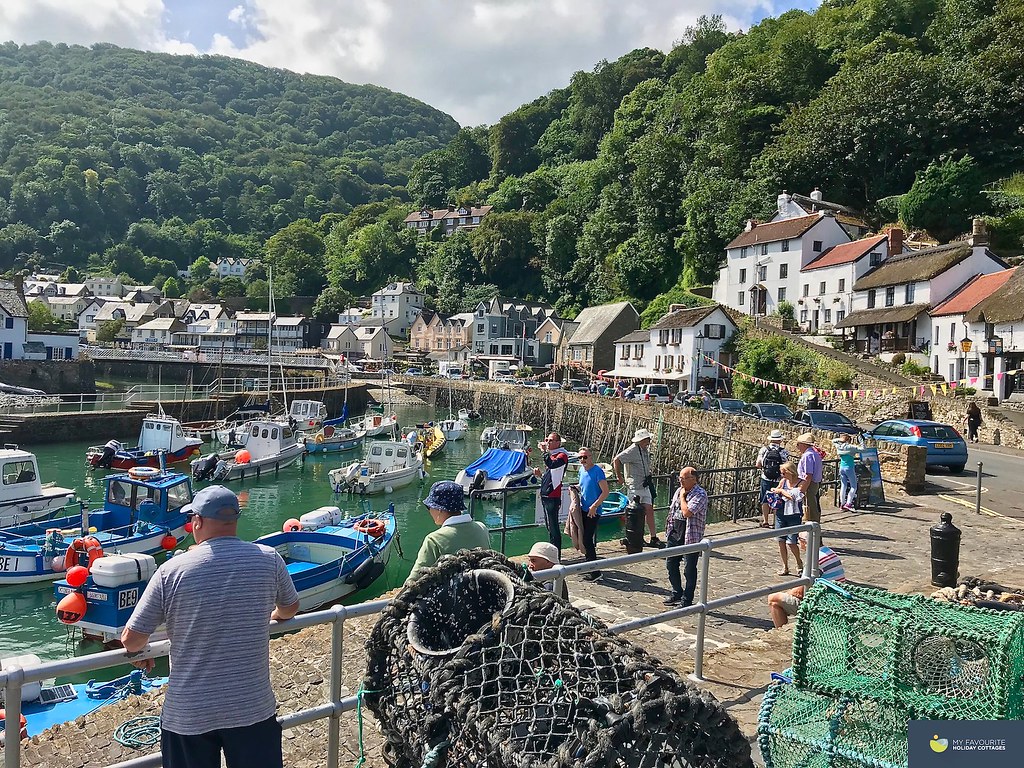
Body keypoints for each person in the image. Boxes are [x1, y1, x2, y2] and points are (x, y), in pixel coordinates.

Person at [121, 485, 301, 768]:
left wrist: (143, 650)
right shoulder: (268, 559)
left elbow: (132, 640)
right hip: (251, 707)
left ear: (198, 521)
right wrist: (270, 615)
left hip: (189, 713)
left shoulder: (172, 570)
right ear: (235, 520)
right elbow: (290, 608)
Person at [407, 480, 491, 582]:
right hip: (482, 590)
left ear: (439, 509)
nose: (429, 511)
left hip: (450, 596)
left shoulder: (433, 540)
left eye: (429, 507)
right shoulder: (482, 528)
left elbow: (414, 581)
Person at [767, 532, 846, 627]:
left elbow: (801, 592)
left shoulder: (814, 560)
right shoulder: (828, 552)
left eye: (799, 539)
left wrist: (787, 594)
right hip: (836, 599)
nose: (798, 542)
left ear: (805, 542)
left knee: (773, 599)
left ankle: (780, 633)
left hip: (823, 605)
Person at [664, 466, 708, 607]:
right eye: (680, 478)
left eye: (683, 478)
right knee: (671, 564)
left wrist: (683, 497)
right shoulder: (679, 490)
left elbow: (687, 512)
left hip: (691, 535)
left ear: (693, 479)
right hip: (675, 532)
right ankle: (677, 592)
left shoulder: (700, 494)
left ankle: (687, 599)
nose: (680, 481)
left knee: (689, 568)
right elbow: (673, 510)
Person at [613, 428, 664, 548]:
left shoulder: (644, 449)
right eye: (647, 439)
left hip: (645, 485)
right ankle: (634, 537)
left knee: (649, 510)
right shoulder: (632, 450)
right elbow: (617, 459)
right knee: (635, 514)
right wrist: (619, 477)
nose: (649, 441)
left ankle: (653, 537)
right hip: (635, 486)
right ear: (641, 440)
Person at [534, 432, 570, 556]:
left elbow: (552, 465)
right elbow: (552, 476)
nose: (547, 442)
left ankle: (556, 555)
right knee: (549, 527)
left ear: (558, 443)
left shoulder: (562, 456)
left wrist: (544, 452)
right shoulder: (553, 455)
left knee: (554, 528)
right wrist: (540, 476)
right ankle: (553, 555)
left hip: (552, 497)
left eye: (550, 440)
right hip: (546, 496)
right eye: (547, 440)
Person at [577, 447, 609, 581]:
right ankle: (589, 565)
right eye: (580, 457)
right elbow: (582, 487)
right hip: (583, 509)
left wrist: (594, 506)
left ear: (591, 457)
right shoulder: (581, 470)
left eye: (585, 457)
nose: (583, 460)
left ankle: (595, 571)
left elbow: (605, 492)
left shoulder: (598, 472)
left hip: (593, 511)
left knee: (587, 540)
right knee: (584, 537)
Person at [770, 461, 804, 576]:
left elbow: (793, 497)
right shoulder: (783, 481)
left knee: (792, 542)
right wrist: (775, 491)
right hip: (781, 514)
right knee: (781, 541)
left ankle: (799, 563)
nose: (782, 475)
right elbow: (777, 490)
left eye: (784, 473)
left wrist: (781, 491)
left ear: (791, 472)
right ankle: (785, 566)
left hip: (794, 516)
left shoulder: (801, 483)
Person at [755, 430, 788, 528]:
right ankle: (776, 522)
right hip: (778, 479)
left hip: (766, 477)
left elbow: (758, 464)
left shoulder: (764, 449)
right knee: (777, 499)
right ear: (780, 440)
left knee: (765, 499)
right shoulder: (784, 451)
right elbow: (786, 466)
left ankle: (765, 521)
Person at [795, 432, 823, 523]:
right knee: (813, 504)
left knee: (809, 505)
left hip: (809, 483)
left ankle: (812, 525)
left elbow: (808, 475)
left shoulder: (808, 456)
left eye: (798, 444)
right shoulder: (815, 454)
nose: (797, 447)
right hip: (814, 482)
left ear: (804, 445)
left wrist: (802, 489)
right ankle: (813, 523)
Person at [834, 435, 862, 511]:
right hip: (849, 468)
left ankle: (842, 503)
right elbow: (863, 449)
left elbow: (833, 440)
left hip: (841, 468)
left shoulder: (838, 446)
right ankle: (848, 503)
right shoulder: (850, 447)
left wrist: (840, 439)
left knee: (843, 486)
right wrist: (861, 441)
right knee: (854, 486)